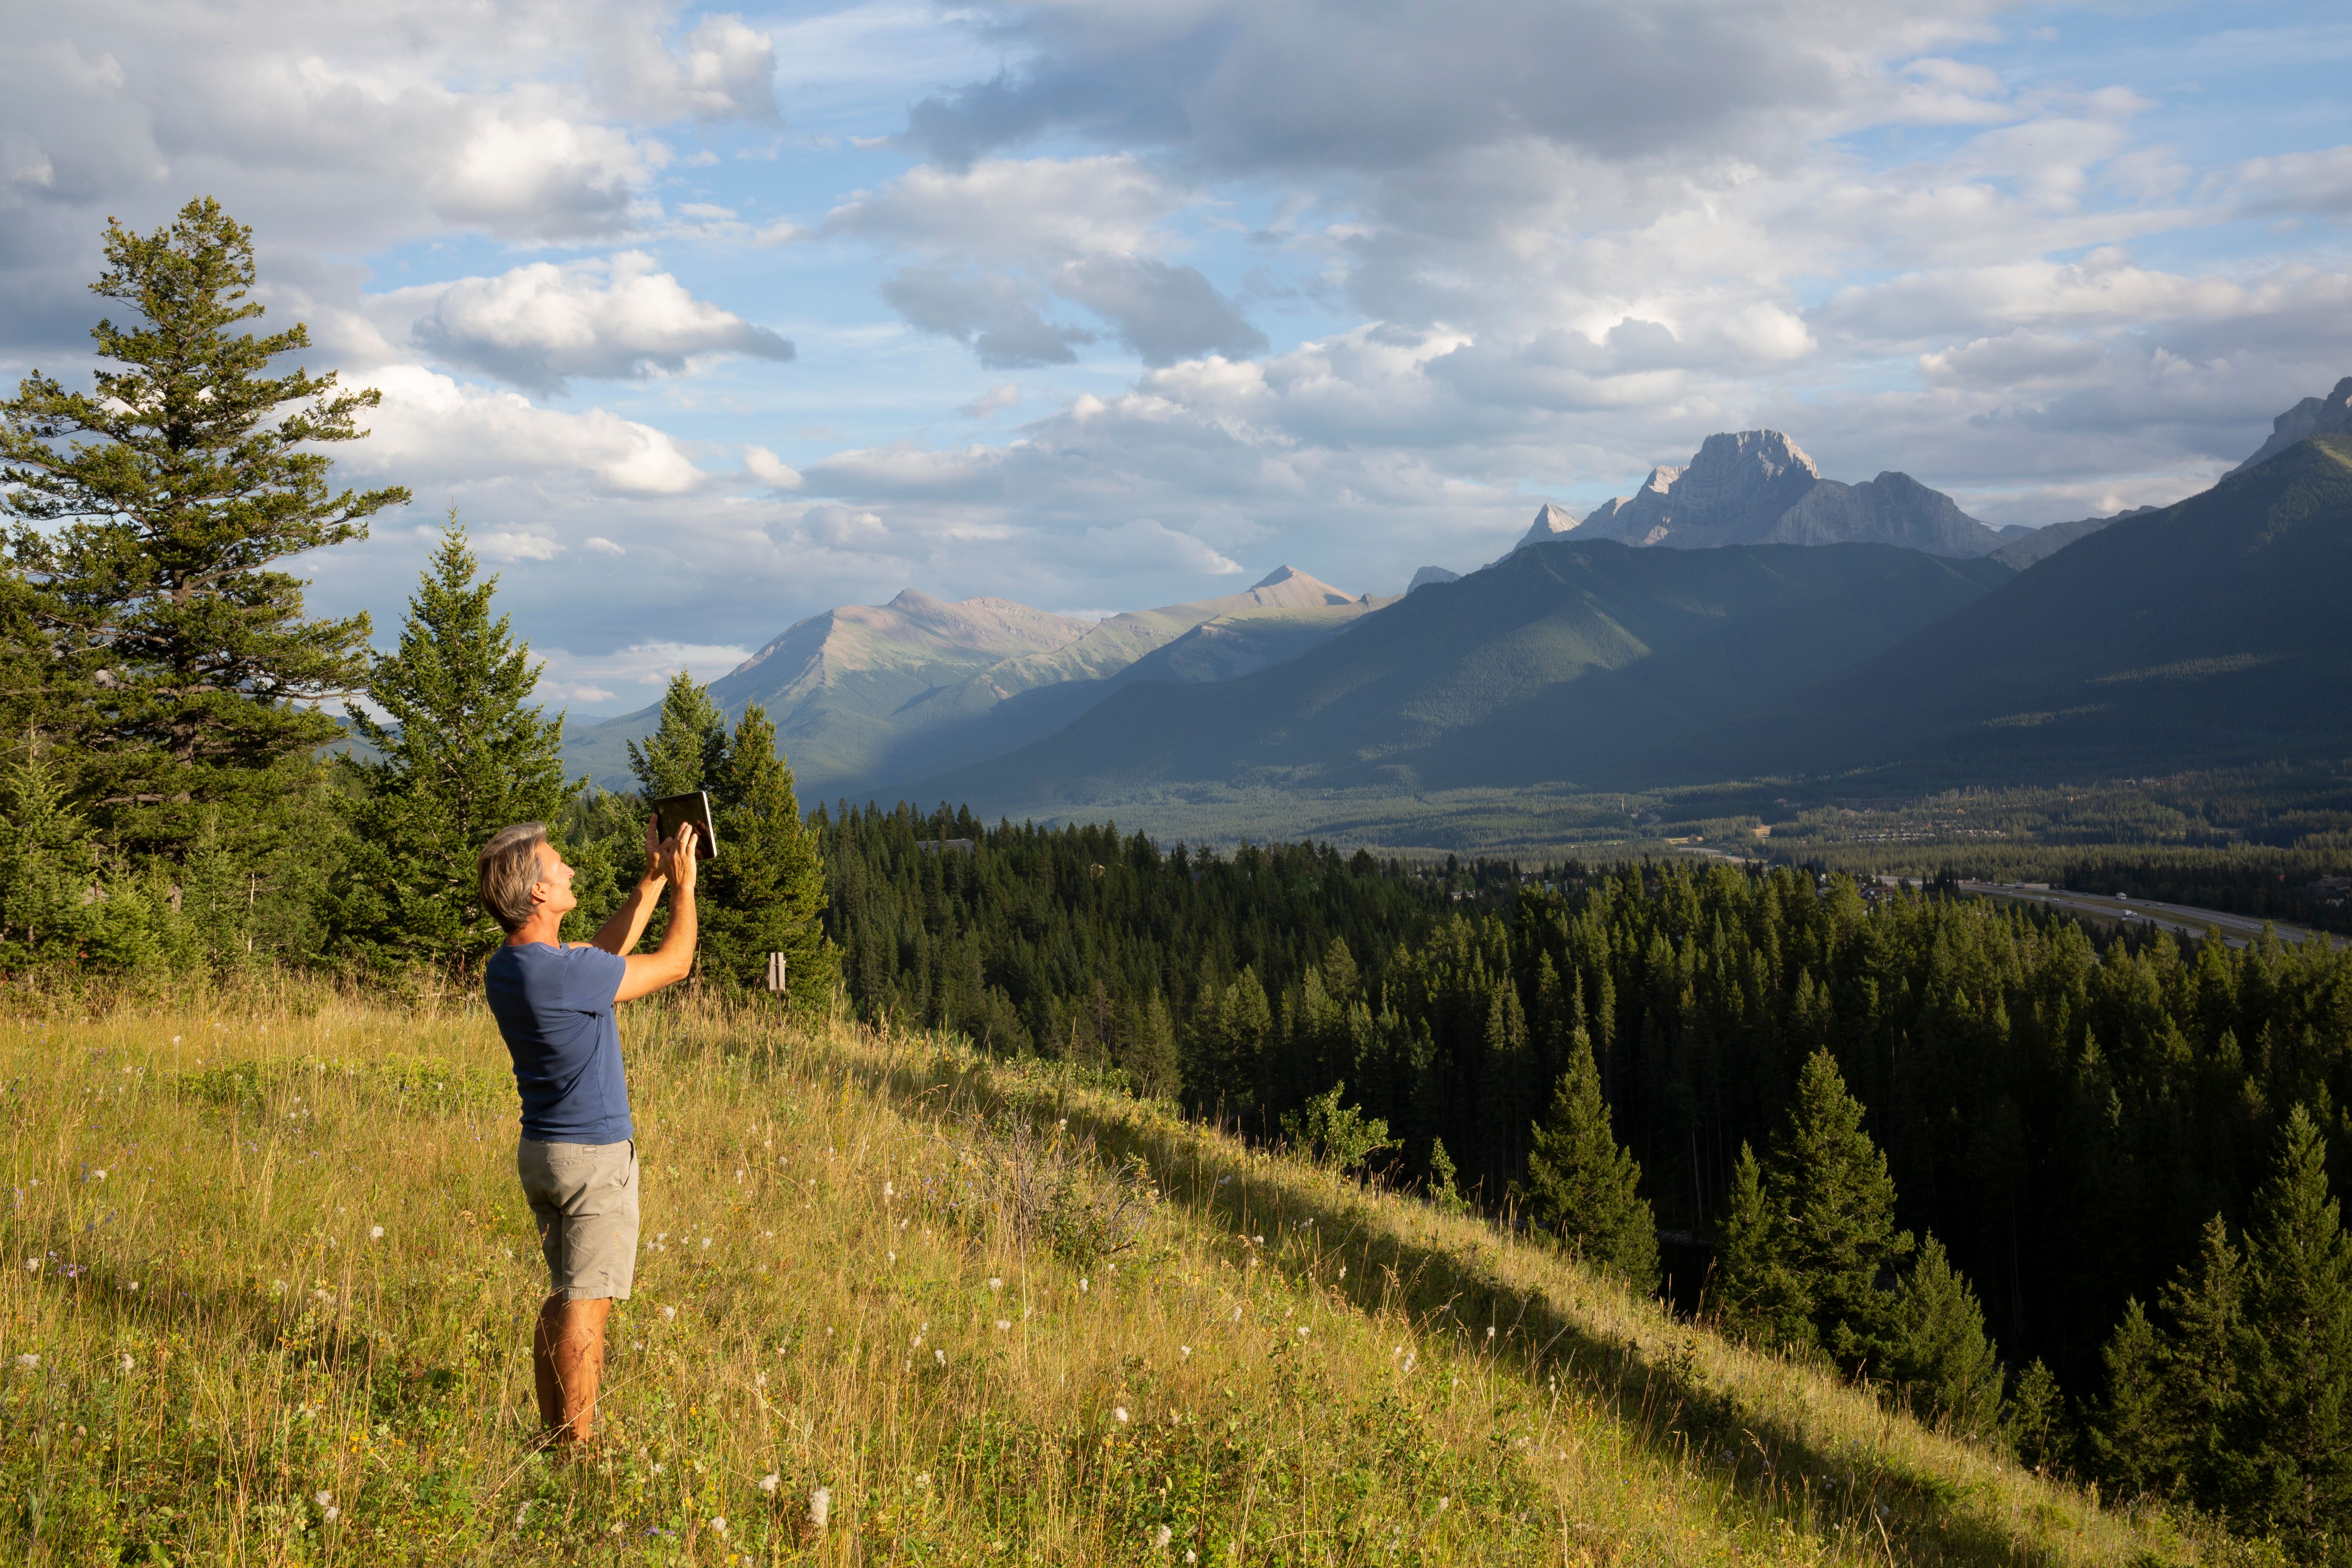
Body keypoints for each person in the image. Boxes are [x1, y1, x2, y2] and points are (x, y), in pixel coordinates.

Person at [475, 816, 699, 1448]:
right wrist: (685, 887)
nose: (570, 870)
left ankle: (553, 1437)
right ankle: (577, 1451)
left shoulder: (512, 967)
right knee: (587, 1307)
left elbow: (599, 959)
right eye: (558, 865)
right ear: (538, 892)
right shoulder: (563, 973)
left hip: (544, 1154)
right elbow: (675, 964)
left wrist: (652, 881)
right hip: (593, 1160)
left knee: (563, 1296)